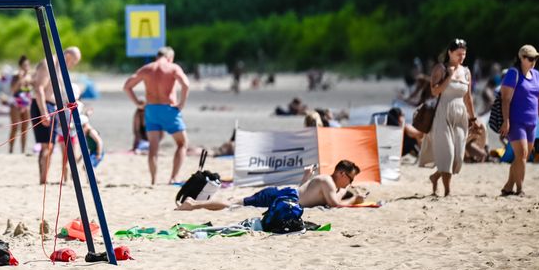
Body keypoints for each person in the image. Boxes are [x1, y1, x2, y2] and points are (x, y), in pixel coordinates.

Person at [177, 160, 364, 211]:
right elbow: (334, 203)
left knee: (235, 201)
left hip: (285, 195)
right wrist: (354, 198)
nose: (350, 182)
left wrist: (346, 191)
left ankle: (194, 204)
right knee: (234, 203)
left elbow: (307, 192)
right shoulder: (327, 181)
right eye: (350, 178)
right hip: (282, 196)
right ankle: (193, 204)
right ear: (341, 173)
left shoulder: (328, 183)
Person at [123, 47, 191, 185]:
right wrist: (181, 103)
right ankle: (173, 178)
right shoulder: (172, 67)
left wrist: (137, 103)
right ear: (170, 57)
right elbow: (186, 84)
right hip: (169, 109)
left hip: (151, 110)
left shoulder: (147, 68)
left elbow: (127, 86)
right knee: (182, 143)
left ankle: (154, 180)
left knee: (153, 147)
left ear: (156, 57)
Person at [419, 39, 476, 197]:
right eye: (458, 54)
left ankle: (435, 176)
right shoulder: (440, 69)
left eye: (464, 54)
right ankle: (447, 192)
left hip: (460, 115)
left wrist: (473, 118)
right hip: (443, 114)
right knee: (448, 154)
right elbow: (434, 91)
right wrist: (449, 77)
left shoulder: (466, 72)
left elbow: (468, 97)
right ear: (450, 53)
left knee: (457, 158)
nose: (461, 57)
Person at [498, 45, 539, 196]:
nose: (534, 62)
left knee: (523, 157)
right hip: (516, 122)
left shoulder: (537, 75)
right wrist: (506, 121)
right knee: (522, 155)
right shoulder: (513, 74)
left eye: (536, 59)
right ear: (521, 58)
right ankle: (520, 189)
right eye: (530, 59)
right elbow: (505, 100)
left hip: (531, 123)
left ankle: (507, 187)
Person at [29, 46, 82, 185]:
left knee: (51, 145)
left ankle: (45, 178)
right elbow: (39, 88)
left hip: (53, 106)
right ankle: (43, 180)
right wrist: (43, 112)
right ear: (68, 56)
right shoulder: (48, 64)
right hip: (42, 105)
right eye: (73, 62)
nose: (71, 66)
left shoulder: (59, 67)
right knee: (46, 145)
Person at [7, 56, 32, 154]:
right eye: (25, 65)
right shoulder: (16, 77)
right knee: (15, 127)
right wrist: (20, 79)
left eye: (28, 65)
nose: (27, 67)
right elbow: (13, 90)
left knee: (25, 129)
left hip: (26, 104)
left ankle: (23, 150)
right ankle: (11, 149)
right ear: (20, 66)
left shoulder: (30, 77)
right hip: (16, 103)